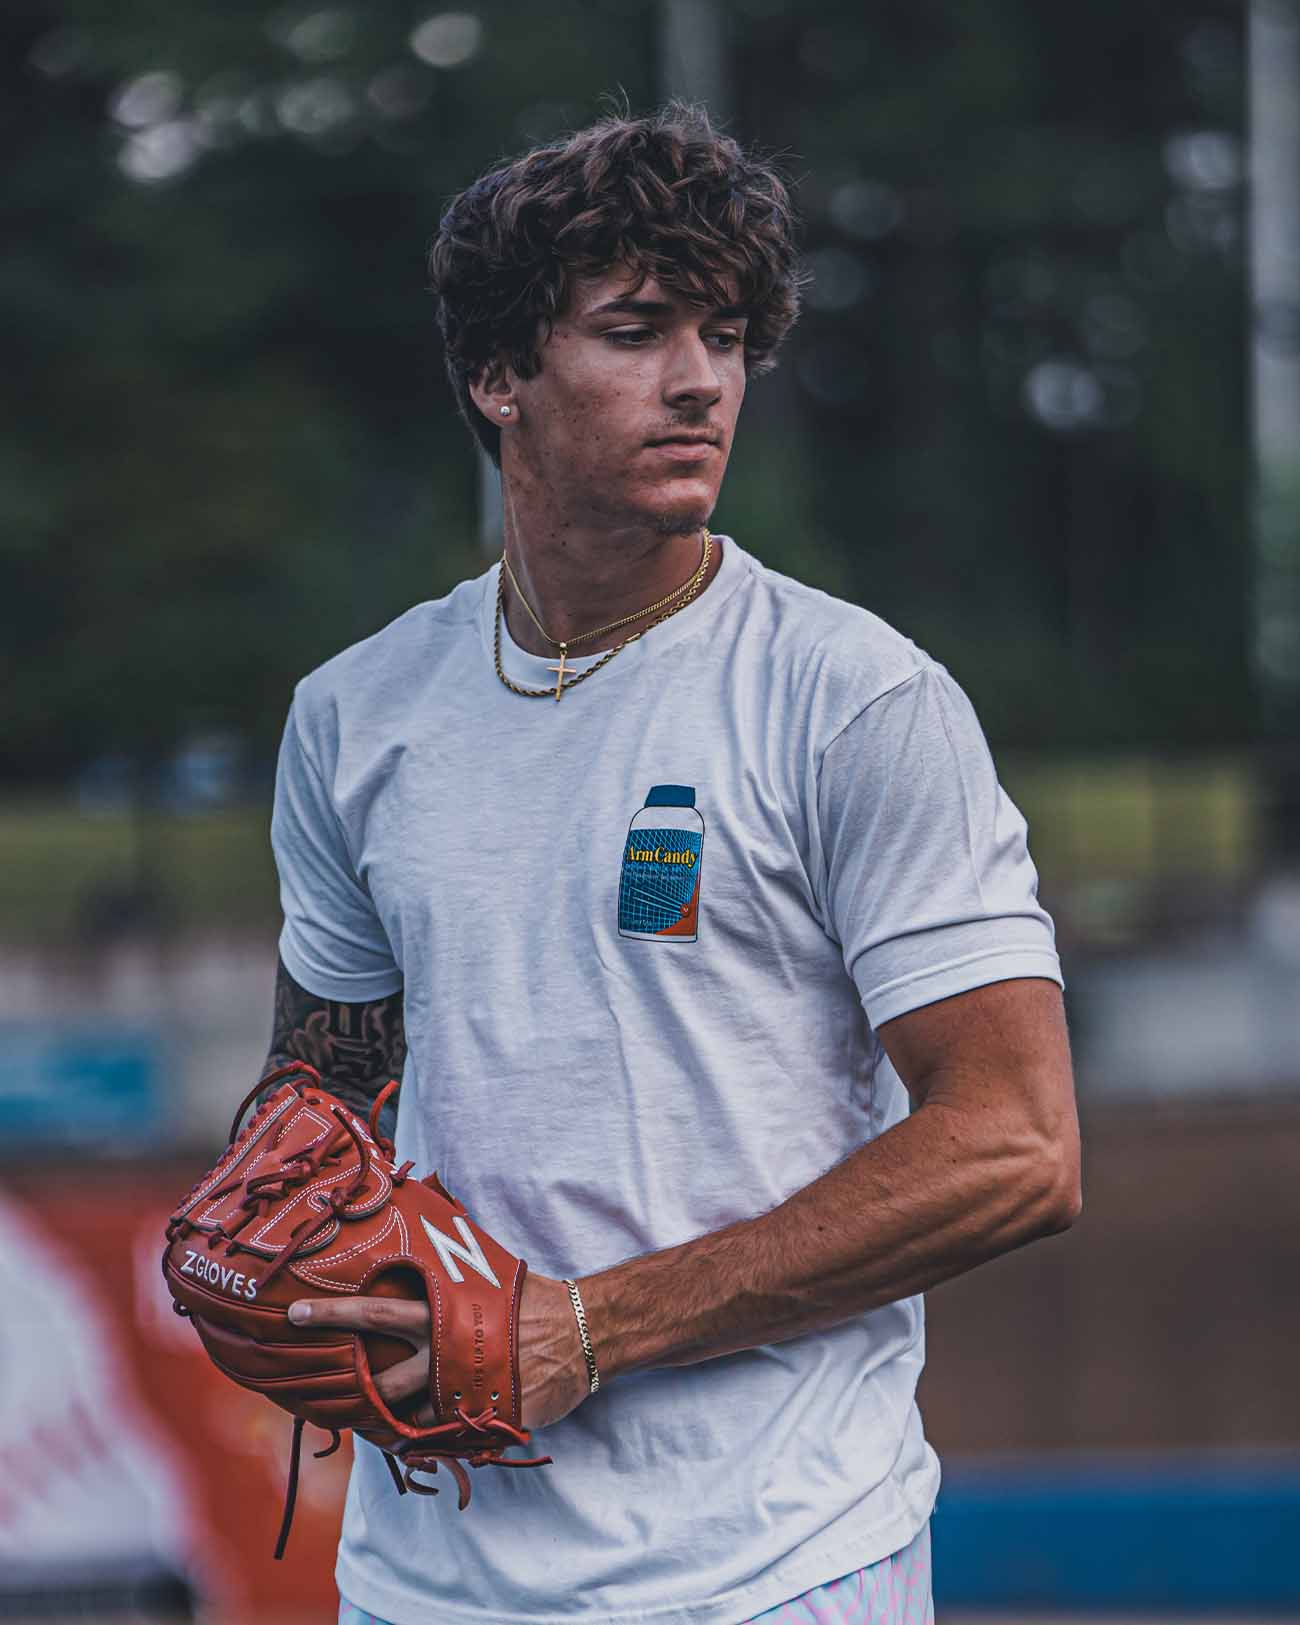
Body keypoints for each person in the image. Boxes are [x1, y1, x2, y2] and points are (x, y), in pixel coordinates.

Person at [264, 102, 1080, 1625]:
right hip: (420, 1580)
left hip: (767, 1565)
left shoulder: (855, 698)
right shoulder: (354, 716)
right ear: (499, 376)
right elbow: (326, 1089)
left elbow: (1015, 1143)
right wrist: (283, 1246)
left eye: (725, 335)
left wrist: (589, 1322)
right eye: (636, 331)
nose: (701, 379)